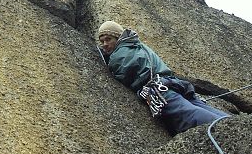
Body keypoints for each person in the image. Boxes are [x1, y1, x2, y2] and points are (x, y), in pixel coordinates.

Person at [96, 20, 227, 135]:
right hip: (172, 83)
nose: (105, 44)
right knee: (203, 107)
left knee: (188, 115)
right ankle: (233, 123)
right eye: (102, 41)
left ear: (118, 38)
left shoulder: (119, 54)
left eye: (108, 39)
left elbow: (122, 76)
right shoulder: (137, 45)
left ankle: (224, 131)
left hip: (158, 90)